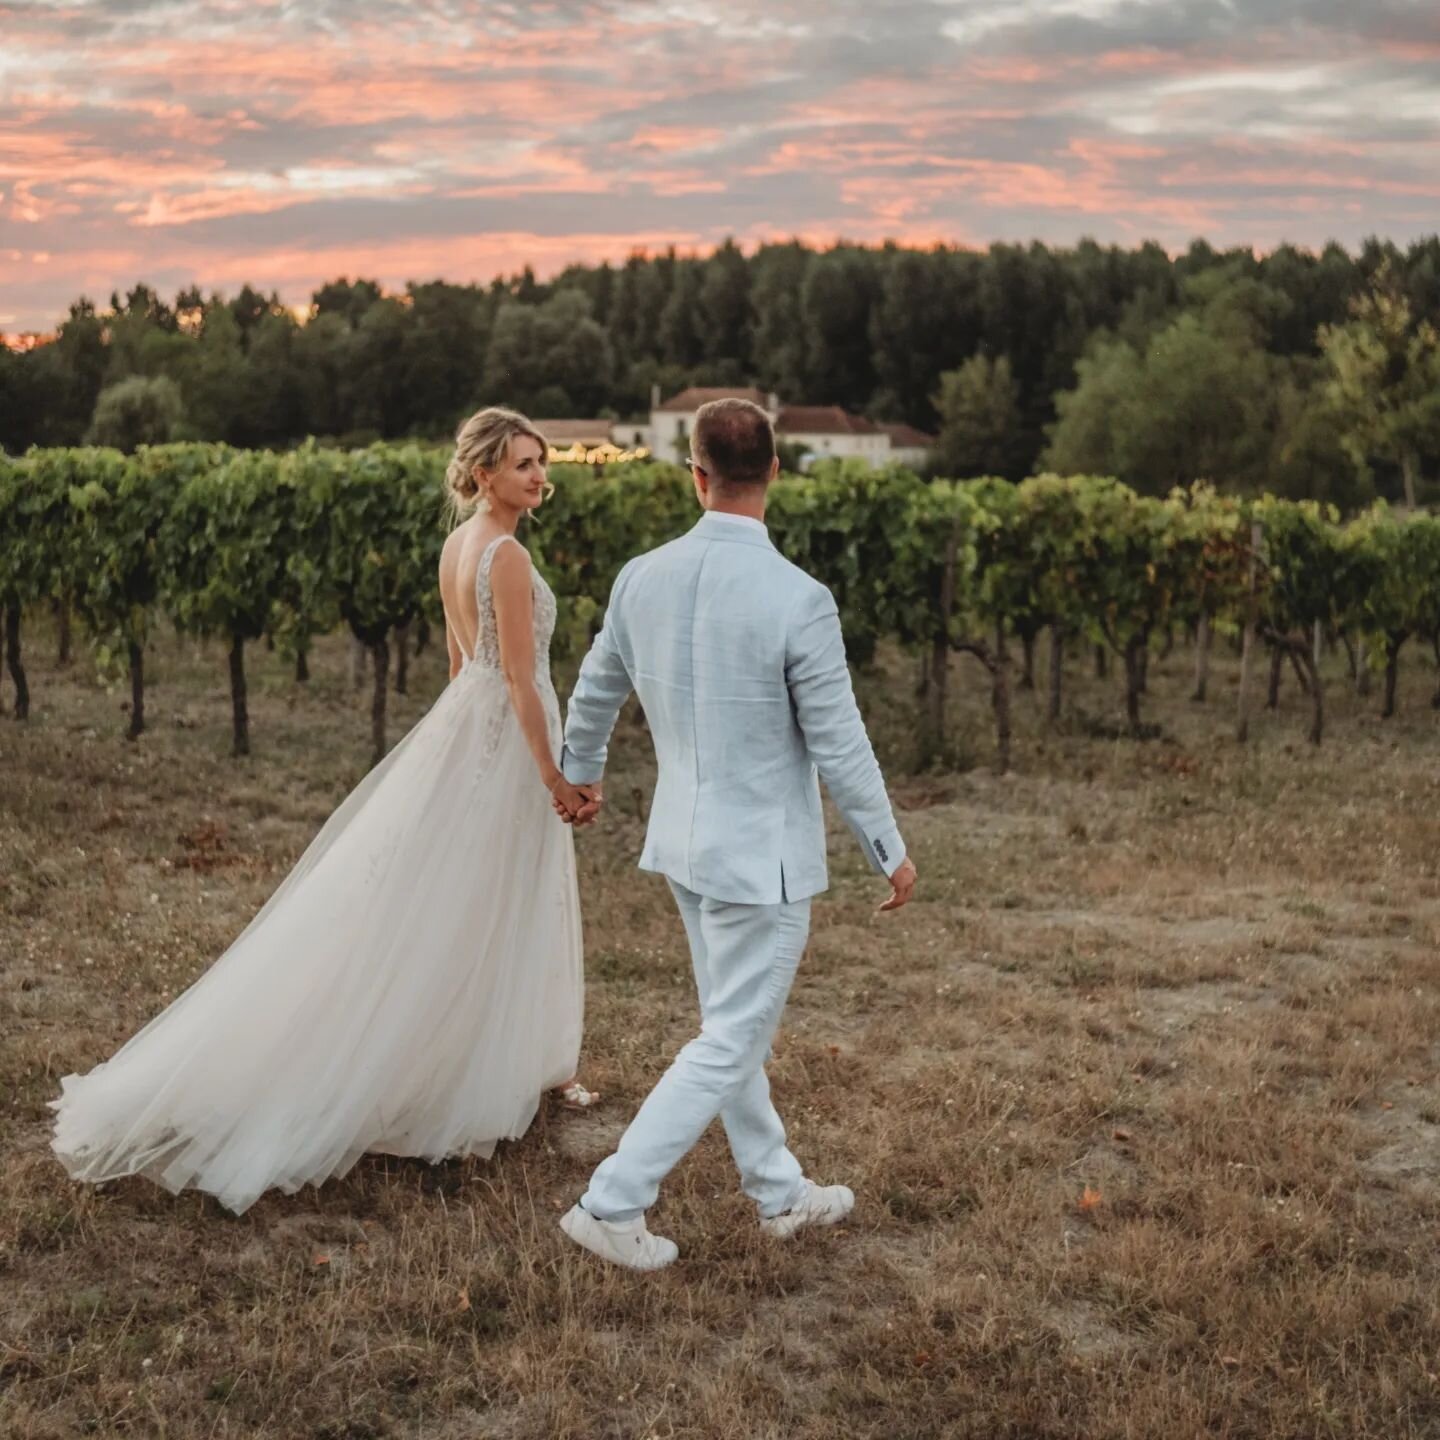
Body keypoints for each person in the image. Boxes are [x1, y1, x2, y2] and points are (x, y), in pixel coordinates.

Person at [50, 407, 598, 1216]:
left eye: (539, 462)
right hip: (508, 738)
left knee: (454, 901)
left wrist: (459, 758)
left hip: (465, 732)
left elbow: (459, 667)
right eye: (521, 463)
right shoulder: (507, 554)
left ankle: (478, 1055)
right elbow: (517, 678)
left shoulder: (458, 546)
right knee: (489, 903)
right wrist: (552, 774)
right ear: (483, 473)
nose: (536, 475)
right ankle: (460, 1072)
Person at [555, 397, 917, 1270]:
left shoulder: (641, 575)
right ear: (776, 475)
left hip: (685, 844)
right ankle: (612, 1203)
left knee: (731, 1027)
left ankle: (778, 1192)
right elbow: (839, 739)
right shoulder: (800, 598)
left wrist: (580, 767)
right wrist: (889, 848)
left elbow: (597, 685)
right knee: (730, 1039)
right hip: (764, 863)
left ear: (696, 474)